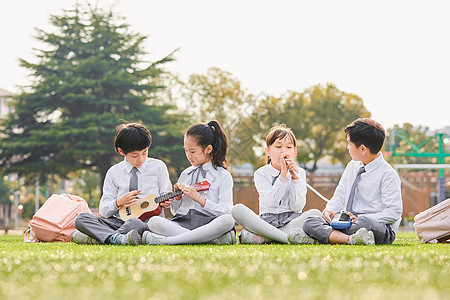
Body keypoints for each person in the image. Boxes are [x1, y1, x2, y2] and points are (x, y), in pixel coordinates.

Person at [290, 118, 403, 245]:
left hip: (377, 226)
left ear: (362, 149)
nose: (347, 147)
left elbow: (393, 212)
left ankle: (322, 237)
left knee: (364, 224)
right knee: (310, 222)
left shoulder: (388, 174)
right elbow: (340, 196)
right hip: (346, 222)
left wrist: (359, 219)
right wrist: (329, 210)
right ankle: (350, 239)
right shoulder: (352, 166)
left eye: (349, 143)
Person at [71, 123, 172, 245]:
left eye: (144, 153)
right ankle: (118, 238)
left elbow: (167, 198)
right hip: (118, 222)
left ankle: (101, 237)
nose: (140, 159)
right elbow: (103, 210)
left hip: (146, 223)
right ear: (121, 151)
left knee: (134, 223)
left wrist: (168, 201)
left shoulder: (158, 167)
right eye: (135, 155)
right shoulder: (114, 172)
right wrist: (119, 202)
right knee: (81, 219)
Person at [142, 120, 236, 245]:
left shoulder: (223, 175)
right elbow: (176, 212)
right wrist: (178, 198)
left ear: (208, 149)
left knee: (227, 220)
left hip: (208, 224)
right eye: (186, 151)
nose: (189, 156)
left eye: (192, 152)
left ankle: (169, 241)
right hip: (183, 223)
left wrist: (199, 199)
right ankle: (208, 240)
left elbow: (226, 211)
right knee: (154, 221)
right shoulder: (186, 173)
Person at [231, 124, 322, 244]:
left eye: (289, 147)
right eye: (278, 146)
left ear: (294, 152)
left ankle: (267, 237)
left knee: (316, 214)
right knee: (237, 210)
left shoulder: (300, 172)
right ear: (268, 151)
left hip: (292, 220)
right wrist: (283, 176)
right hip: (267, 221)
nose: (284, 151)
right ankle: (287, 238)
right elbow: (271, 203)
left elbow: (297, 207)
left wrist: (294, 179)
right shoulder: (261, 173)